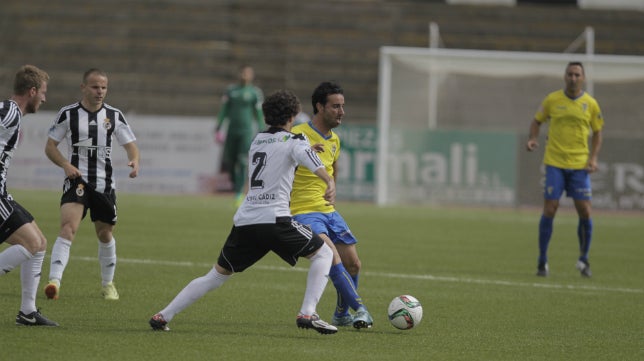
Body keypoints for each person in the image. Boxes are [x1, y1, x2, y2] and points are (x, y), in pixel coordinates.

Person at [149, 89, 338, 334]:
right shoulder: (295, 142)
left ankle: (163, 315)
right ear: (292, 116)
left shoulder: (257, 140)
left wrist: (308, 147)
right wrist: (329, 181)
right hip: (276, 220)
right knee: (324, 253)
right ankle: (307, 313)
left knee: (216, 276)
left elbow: (283, 151)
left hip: (247, 221)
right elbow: (305, 157)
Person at [43, 68, 140, 300]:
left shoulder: (114, 116)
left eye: (103, 87)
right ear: (83, 87)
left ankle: (108, 284)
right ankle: (54, 281)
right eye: (95, 87)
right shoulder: (68, 114)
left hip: (104, 184)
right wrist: (66, 165)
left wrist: (134, 160)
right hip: (77, 181)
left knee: (105, 234)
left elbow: (131, 145)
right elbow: (50, 147)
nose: (100, 92)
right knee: (68, 228)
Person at [290, 81, 373, 329]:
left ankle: (341, 313)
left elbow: (332, 168)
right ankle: (361, 309)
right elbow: (281, 164)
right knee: (332, 256)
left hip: (328, 211)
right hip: (303, 211)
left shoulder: (335, 140)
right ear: (319, 106)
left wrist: (331, 187)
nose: (341, 111)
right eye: (335, 106)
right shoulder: (298, 134)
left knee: (353, 263)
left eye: (342, 106)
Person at [526, 61, 604, 278]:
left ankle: (584, 259)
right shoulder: (552, 100)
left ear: (583, 78)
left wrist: (593, 158)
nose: (573, 78)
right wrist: (533, 138)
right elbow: (536, 121)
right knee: (550, 209)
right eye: (569, 74)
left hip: (580, 166)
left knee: (585, 211)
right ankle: (542, 261)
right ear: (564, 76)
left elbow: (598, 132)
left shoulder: (591, 103)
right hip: (555, 163)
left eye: (577, 74)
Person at [0, 65, 58, 326]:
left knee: (40, 244)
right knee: (32, 244)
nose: (44, 98)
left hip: (3, 194)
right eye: (42, 92)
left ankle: (27, 312)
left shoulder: (12, 114)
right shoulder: (9, 112)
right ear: (32, 91)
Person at [214, 65, 264, 207]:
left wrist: (262, 128)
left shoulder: (255, 92)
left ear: (252, 76)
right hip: (231, 131)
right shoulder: (231, 91)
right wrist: (219, 125)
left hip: (245, 132)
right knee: (229, 161)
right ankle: (235, 185)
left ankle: (238, 193)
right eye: (243, 72)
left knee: (242, 162)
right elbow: (224, 110)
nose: (244, 75)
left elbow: (258, 112)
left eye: (247, 73)